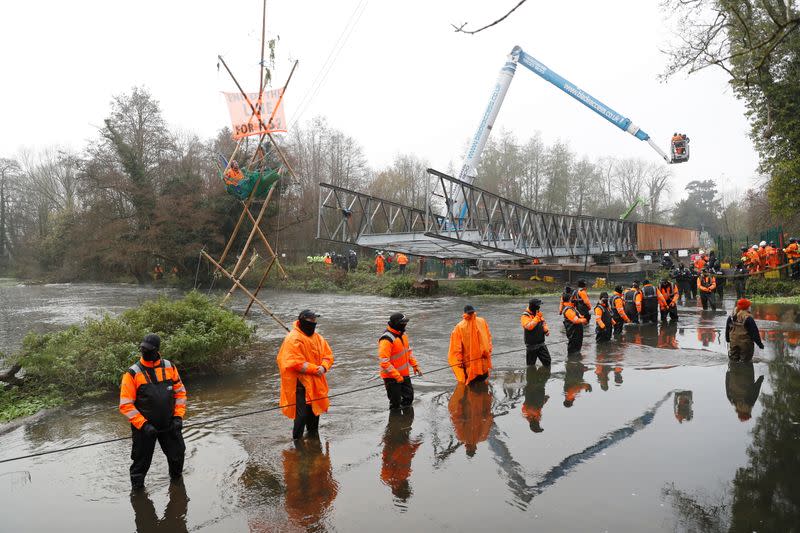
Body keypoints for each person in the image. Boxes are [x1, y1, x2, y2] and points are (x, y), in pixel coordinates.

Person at [119, 334, 187, 490]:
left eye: (148, 349)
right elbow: (126, 405)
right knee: (140, 464)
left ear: (157, 350)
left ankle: (177, 487)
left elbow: (180, 393)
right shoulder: (132, 373)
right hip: (144, 429)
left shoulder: (170, 367)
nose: (144, 351)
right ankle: (137, 492)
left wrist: (178, 417)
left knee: (177, 455)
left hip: (170, 424)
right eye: (142, 348)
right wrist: (143, 425)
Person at [277, 310, 335, 440]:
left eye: (315, 321)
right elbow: (294, 362)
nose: (313, 324)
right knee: (301, 416)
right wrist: (315, 369)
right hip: (299, 385)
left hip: (315, 383)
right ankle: (297, 444)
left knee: (315, 413)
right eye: (311, 321)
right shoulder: (292, 339)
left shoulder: (318, 338)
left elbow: (328, 355)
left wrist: (324, 367)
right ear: (302, 321)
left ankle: (314, 443)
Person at [379, 313, 422, 410]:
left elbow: (408, 352)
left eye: (406, 322)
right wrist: (396, 376)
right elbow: (384, 362)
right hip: (391, 377)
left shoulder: (403, 335)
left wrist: (415, 365)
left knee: (409, 398)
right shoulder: (386, 339)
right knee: (395, 403)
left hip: (404, 374)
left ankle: (406, 421)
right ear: (395, 324)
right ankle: (394, 423)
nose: (405, 325)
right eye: (403, 323)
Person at [380, 408, 421, 503]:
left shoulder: (391, 477)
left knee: (399, 418)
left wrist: (414, 446)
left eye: (407, 487)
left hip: (395, 443)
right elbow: (407, 457)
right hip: (399, 443)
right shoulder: (400, 476)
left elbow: (390, 459)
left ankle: (398, 407)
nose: (409, 485)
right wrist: (415, 446)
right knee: (404, 418)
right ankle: (400, 407)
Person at [448, 304, 493, 384]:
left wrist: (488, 350)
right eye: (470, 313)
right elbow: (457, 346)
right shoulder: (460, 327)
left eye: (471, 313)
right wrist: (460, 360)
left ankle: (479, 393)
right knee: (475, 381)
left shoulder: (481, 321)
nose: (471, 315)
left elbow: (488, 336)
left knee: (478, 380)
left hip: (481, 358)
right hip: (470, 360)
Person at [521, 298, 550, 366]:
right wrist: (537, 317)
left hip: (541, 343)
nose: (539, 307)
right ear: (532, 306)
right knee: (531, 365)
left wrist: (546, 330)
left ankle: (545, 375)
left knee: (547, 361)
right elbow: (529, 326)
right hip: (531, 345)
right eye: (538, 305)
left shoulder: (538, 314)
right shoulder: (525, 316)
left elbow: (543, 323)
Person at [521, 365, 550, 433]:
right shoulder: (534, 416)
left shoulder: (528, 413)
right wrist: (545, 399)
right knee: (543, 373)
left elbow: (535, 405)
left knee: (540, 371)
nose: (538, 423)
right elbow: (539, 406)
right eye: (538, 424)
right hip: (537, 389)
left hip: (535, 388)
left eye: (538, 425)